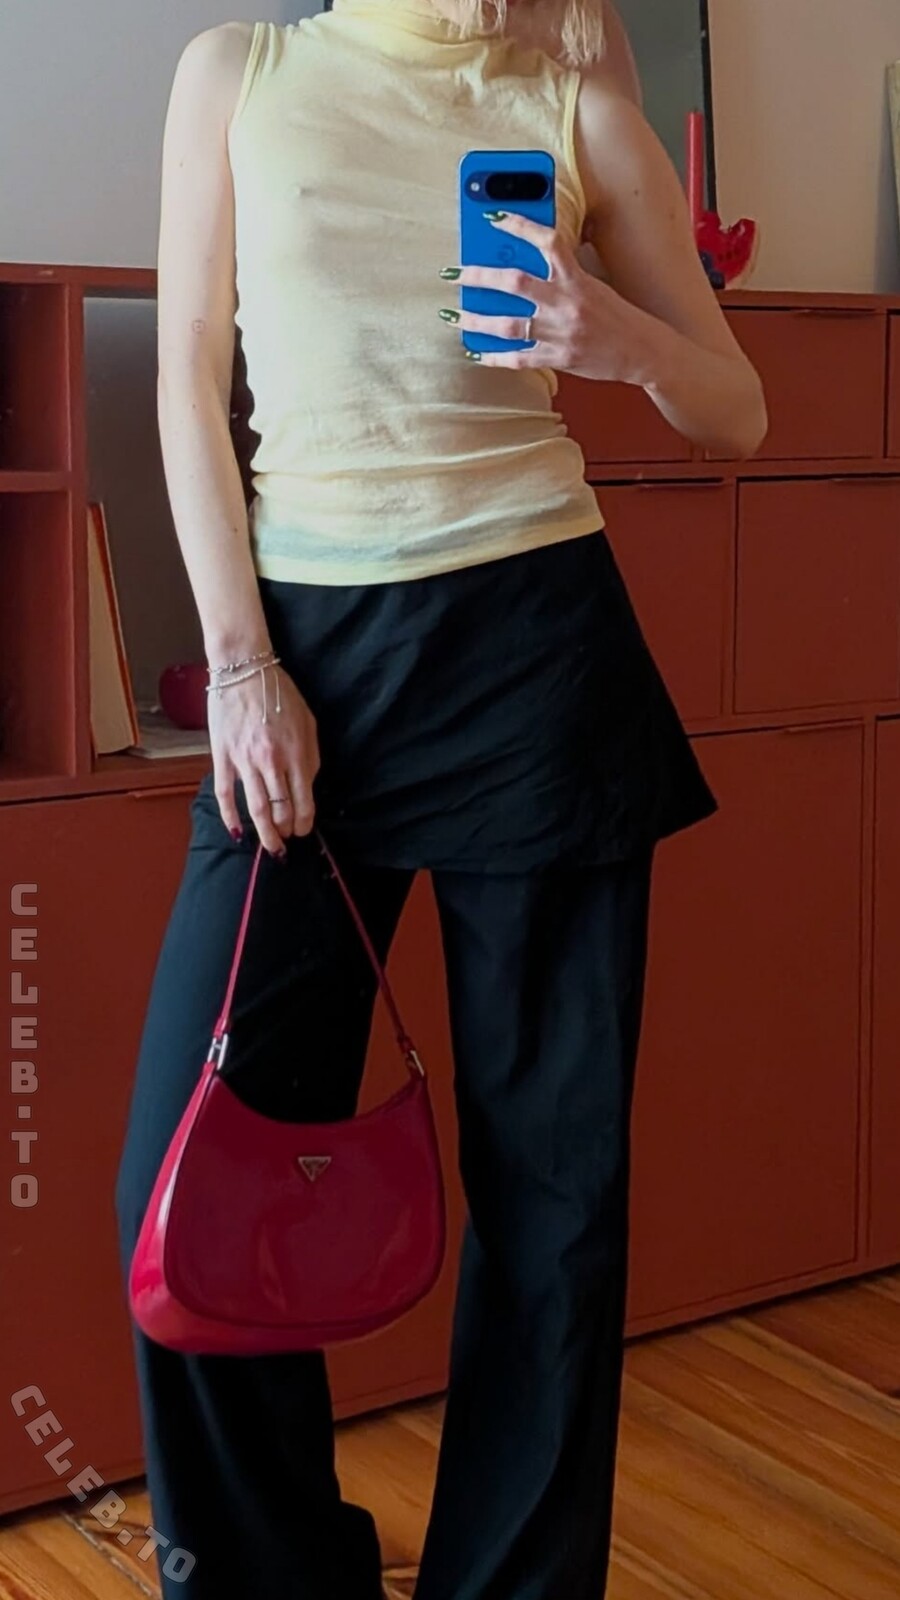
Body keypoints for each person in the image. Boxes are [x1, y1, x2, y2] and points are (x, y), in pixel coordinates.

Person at [114, 1, 767, 1597]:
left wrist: (619, 341)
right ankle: (267, 1574)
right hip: (305, 664)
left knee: (554, 1196)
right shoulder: (240, 73)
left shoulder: (569, 92)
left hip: (535, 655)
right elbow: (188, 380)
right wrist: (241, 666)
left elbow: (736, 407)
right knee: (183, 1177)